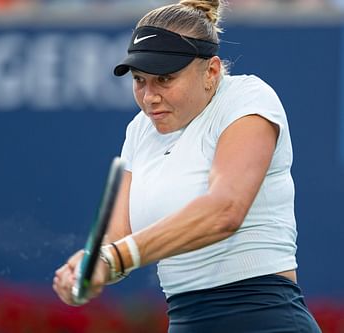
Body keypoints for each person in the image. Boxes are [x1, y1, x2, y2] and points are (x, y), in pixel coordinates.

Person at [53, 1, 322, 332]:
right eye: (140, 80)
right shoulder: (140, 129)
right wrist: (90, 265)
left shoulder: (249, 98)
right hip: (184, 321)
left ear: (211, 71)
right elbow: (118, 236)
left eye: (165, 79)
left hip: (265, 318)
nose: (149, 96)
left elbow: (224, 211)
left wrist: (117, 257)